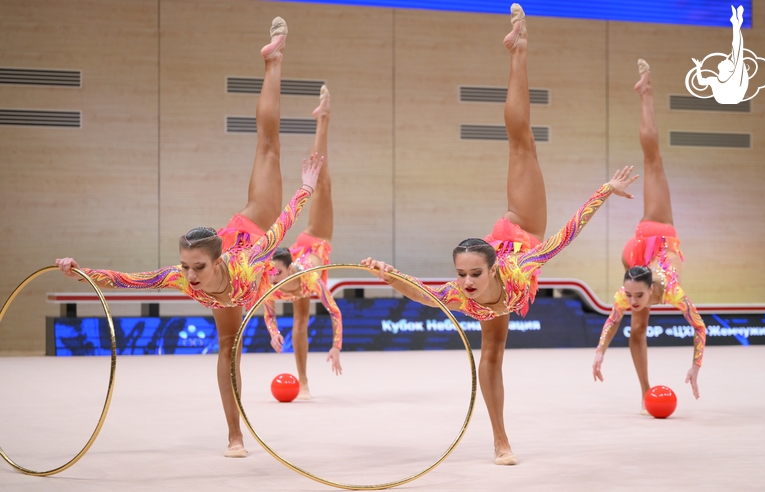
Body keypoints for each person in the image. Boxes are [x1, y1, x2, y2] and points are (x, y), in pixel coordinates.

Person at [361, 4, 637, 466]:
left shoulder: (520, 266)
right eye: (462, 275)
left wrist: (605, 190)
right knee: (491, 353)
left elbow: (567, 234)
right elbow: (423, 295)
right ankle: (500, 439)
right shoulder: (460, 292)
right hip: (501, 292)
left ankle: (519, 49)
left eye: (474, 274)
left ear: (491, 268)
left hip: (523, 225)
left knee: (521, 140)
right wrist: (390, 275)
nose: (466, 282)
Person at [55, 17, 323, 458]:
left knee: (268, 145)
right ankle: (235, 436)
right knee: (228, 349)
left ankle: (274, 61)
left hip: (255, 223)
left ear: (217, 262)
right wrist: (80, 271)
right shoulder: (183, 276)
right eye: (185, 266)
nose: (190, 275)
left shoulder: (246, 260)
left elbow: (282, 226)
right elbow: (127, 280)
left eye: (197, 267)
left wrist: (306, 187)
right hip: (230, 289)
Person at [592, 59, 706, 412]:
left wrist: (695, 368)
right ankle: (646, 390)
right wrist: (599, 353)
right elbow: (612, 322)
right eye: (629, 295)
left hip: (649, 237)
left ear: (648, 291)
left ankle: (647, 92)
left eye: (636, 296)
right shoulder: (631, 293)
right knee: (636, 328)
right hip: (646, 246)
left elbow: (700, 328)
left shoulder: (671, 289)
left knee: (652, 160)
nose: (631, 301)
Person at [265, 85, 343, 400]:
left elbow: (335, 312)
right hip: (298, 265)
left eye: (276, 274)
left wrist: (336, 347)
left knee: (323, 182)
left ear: (288, 270)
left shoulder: (310, 279)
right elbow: (269, 315)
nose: (271, 279)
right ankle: (303, 381)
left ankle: (323, 118)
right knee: (299, 322)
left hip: (314, 242)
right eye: (271, 275)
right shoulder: (272, 285)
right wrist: (273, 334)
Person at [691, 5, 748, 104]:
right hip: (729, 97)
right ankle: (736, 24)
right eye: (727, 60)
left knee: (737, 50)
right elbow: (701, 82)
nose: (725, 59)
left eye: (726, 61)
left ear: (728, 69)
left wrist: (698, 67)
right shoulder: (717, 80)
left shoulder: (731, 78)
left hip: (732, 96)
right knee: (737, 51)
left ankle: (736, 23)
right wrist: (698, 67)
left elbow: (737, 47)